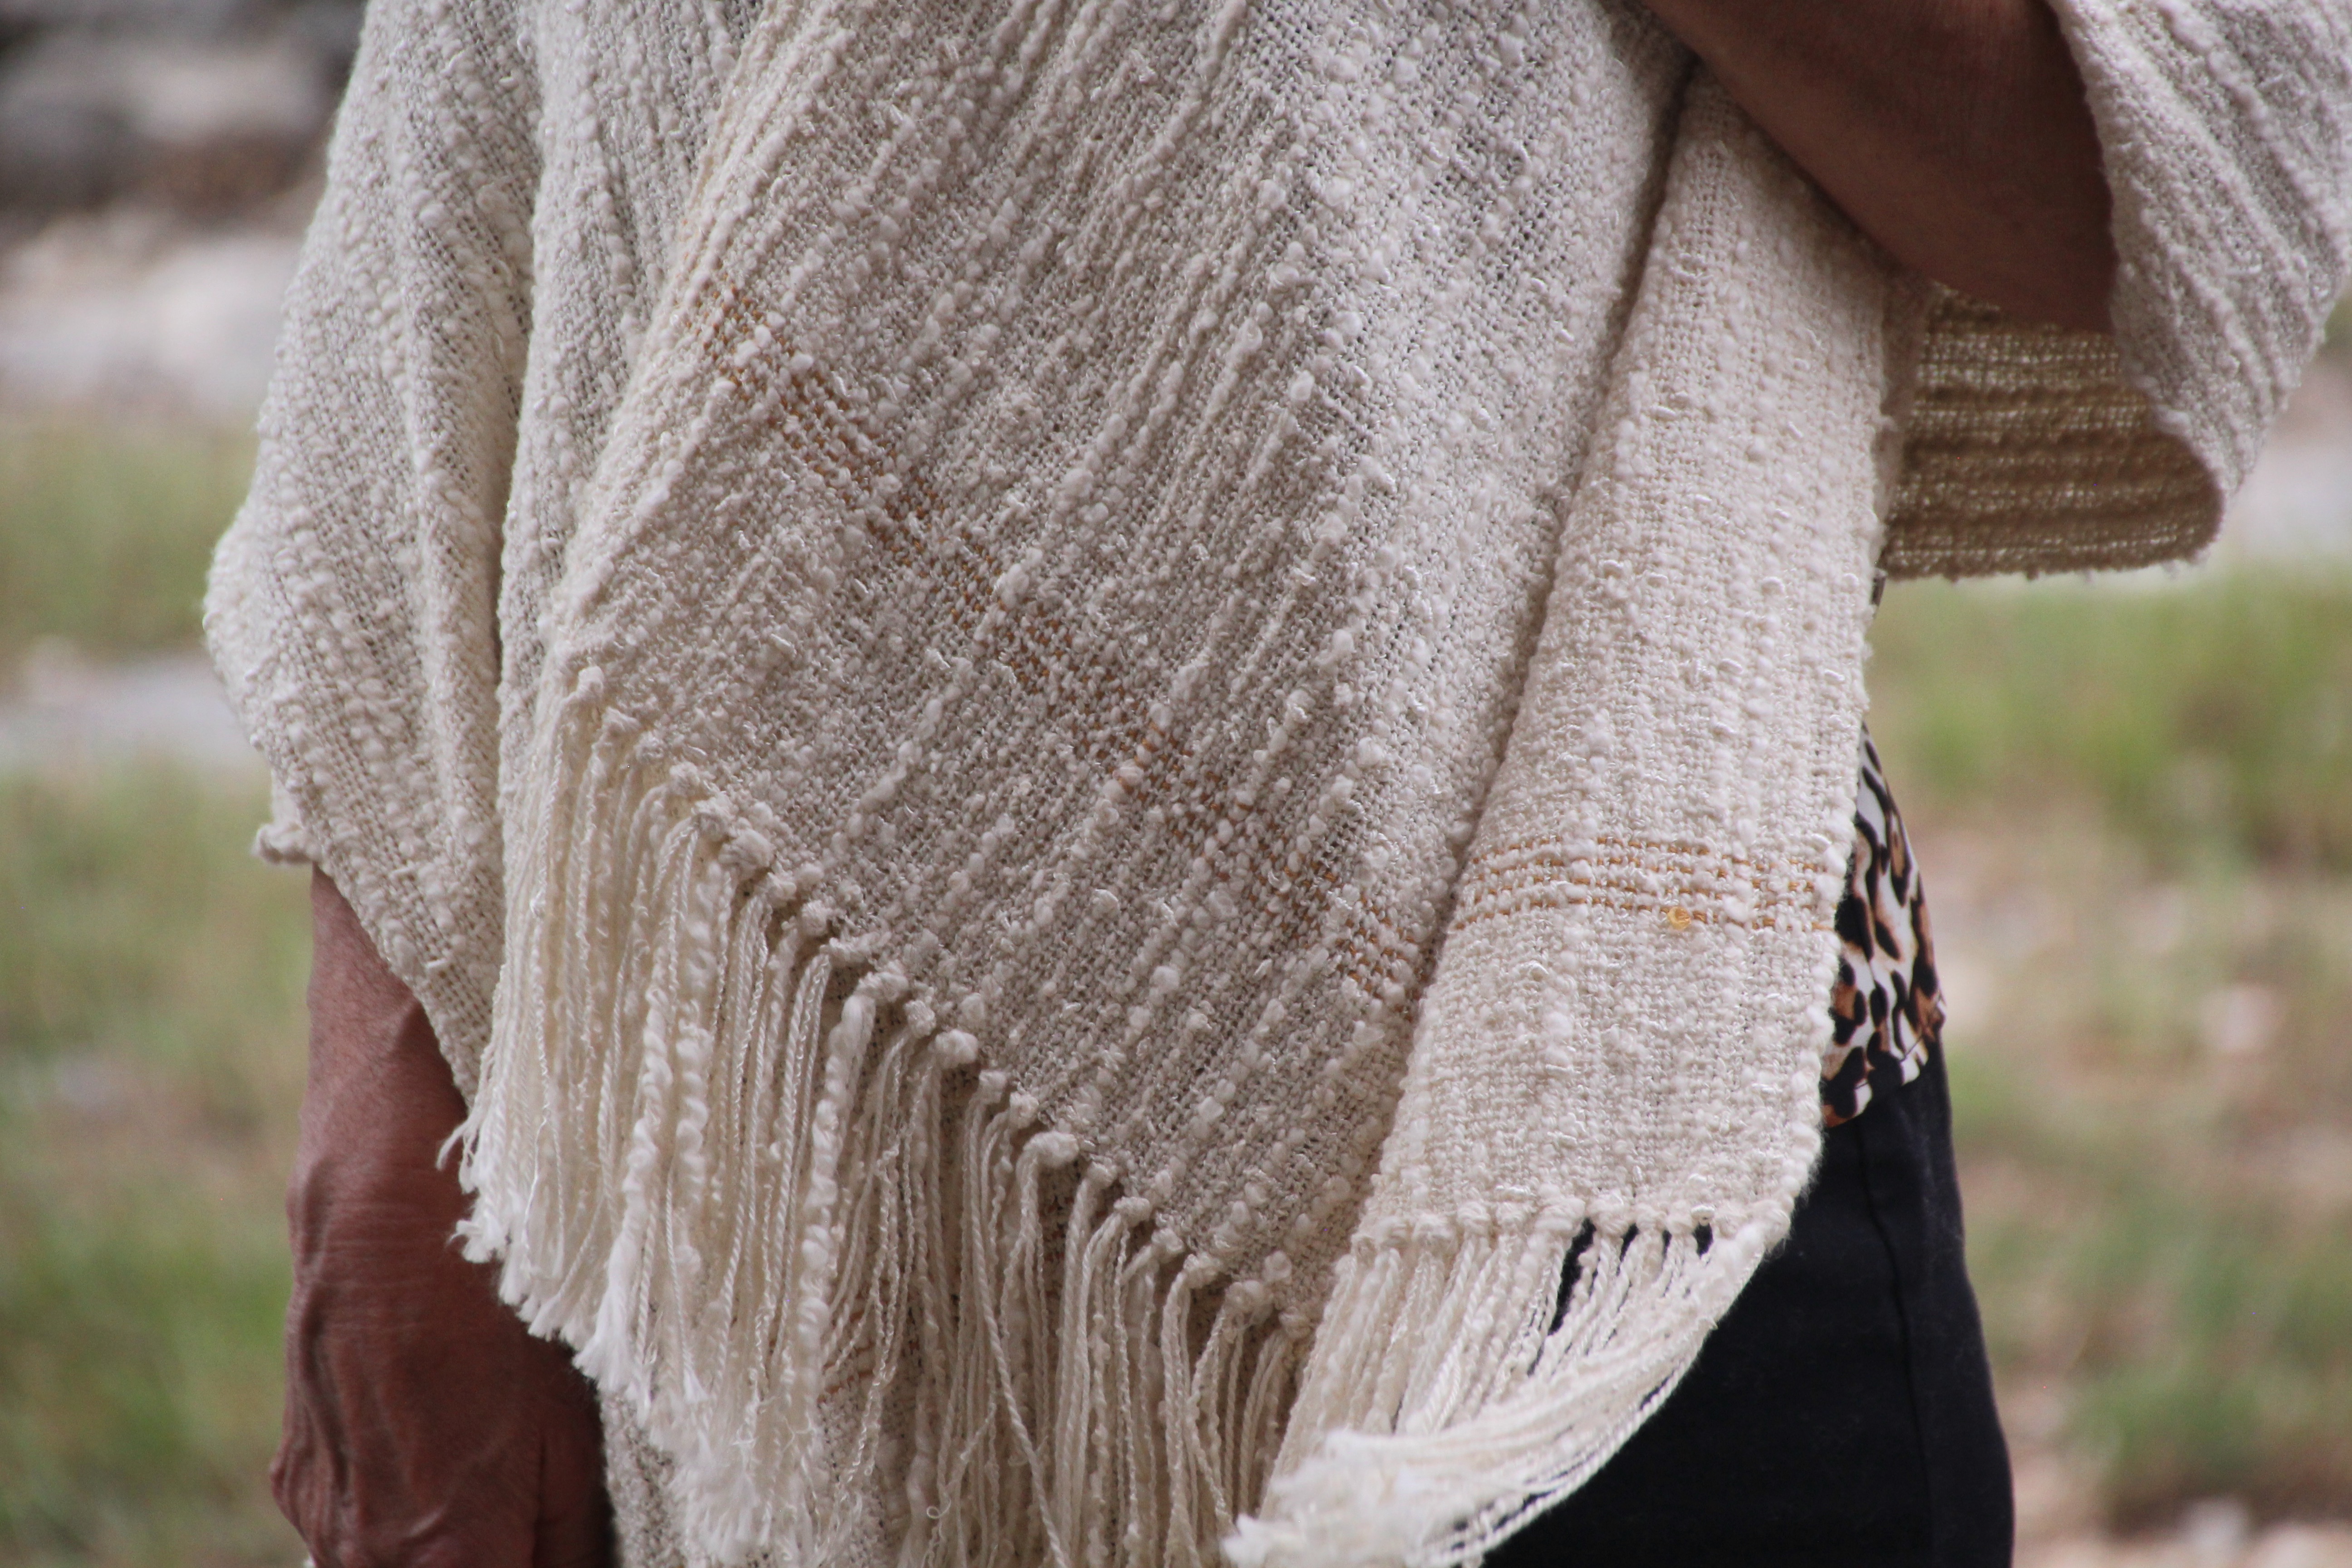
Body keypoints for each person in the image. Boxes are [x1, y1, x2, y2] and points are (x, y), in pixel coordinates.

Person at [207, 0, 2350, 1563]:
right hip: (776, 1206)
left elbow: (2120, 163)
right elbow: (479, 114)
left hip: (1601, 1170)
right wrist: (392, 1053)